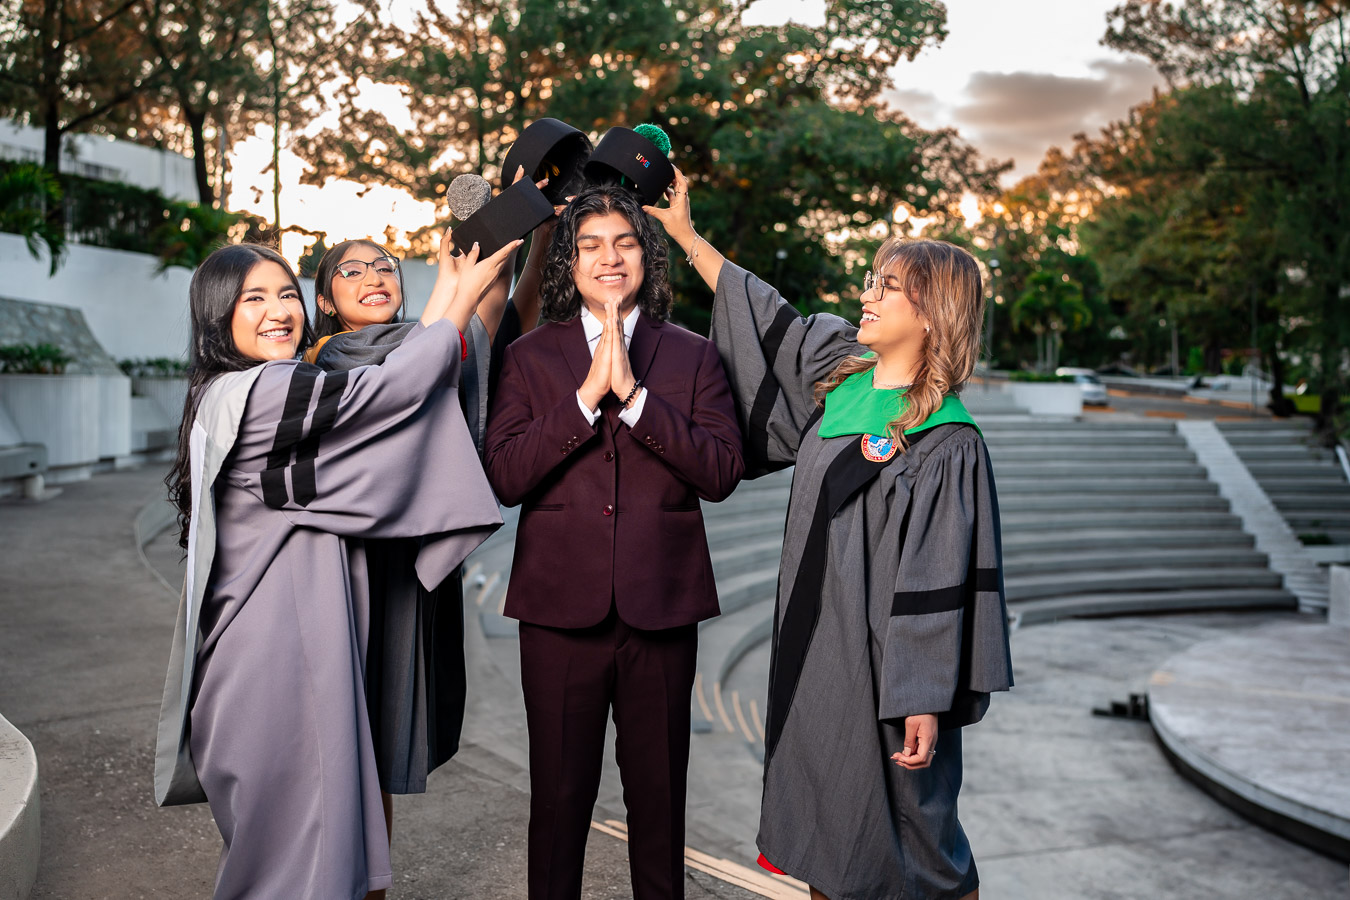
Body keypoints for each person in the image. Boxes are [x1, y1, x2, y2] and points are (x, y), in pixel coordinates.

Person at [644, 169, 1013, 900]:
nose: (865, 296)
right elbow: (769, 314)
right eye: (870, 281)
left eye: (887, 287)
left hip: (886, 671)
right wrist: (687, 239)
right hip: (814, 652)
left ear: (933, 313)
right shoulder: (841, 376)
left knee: (918, 843)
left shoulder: (944, 441)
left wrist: (922, 697)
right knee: (825, 828)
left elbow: (937, 575)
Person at [154, 239, 516, 899]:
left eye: (285, 294)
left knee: (295, 862)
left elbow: (381, 388)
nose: (278, 311)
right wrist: (460, 294)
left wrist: (446, 290)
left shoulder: (224, 396)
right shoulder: (268, 390)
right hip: (276, 668)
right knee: (299, 869)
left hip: (275, 660)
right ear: (217, 319)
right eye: (253, 299)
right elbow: (391, 391)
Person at [483, 184, 745, 900]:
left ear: (646, 256)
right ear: (569, 262)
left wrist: (634, 401)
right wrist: (580, 402)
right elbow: (505, 475)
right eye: (591, 244)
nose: (609, 257)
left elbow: (722, 471)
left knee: (659, 807)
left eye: (624, 243)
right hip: (556, 614)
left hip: (661, 612)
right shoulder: (532, 358)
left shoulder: (692, 356)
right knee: (558, 802)